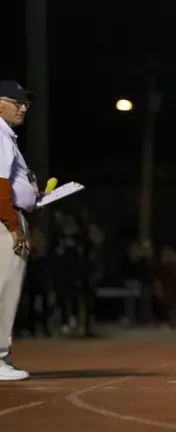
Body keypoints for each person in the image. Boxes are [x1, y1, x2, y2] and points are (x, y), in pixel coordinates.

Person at [0, 80, 36, 380]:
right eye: (17, 102)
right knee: (4, 288)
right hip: (4, 221)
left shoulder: (5, 135)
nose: (23, 108)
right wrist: (14, 226)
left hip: (8, 216)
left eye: (25, 103)